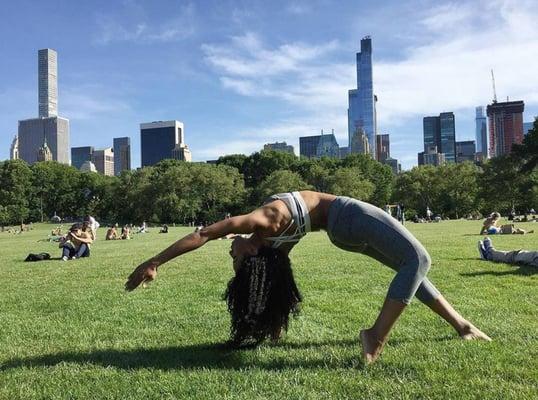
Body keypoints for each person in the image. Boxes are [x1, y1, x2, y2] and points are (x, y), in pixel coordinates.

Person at [125, 191, 490, 364]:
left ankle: (462, 326)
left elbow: (203, 235)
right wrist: (155, 262)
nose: (231, 249)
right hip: (346, 218)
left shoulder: (264, 235)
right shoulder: (264, 226)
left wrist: (155, 261)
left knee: (409, 269)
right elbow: (212, 239)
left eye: (232, 252)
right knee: (418, 258)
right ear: (251, 254)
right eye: (234, 255)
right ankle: (375, 336)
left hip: (341, 232)